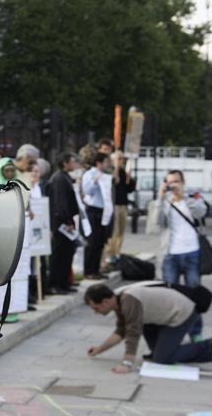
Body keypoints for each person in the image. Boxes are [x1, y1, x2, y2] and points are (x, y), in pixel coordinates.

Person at [85, 283, 212, 373]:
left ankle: (208, 347)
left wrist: (127, 363)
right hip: (160, 317)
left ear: (106, 302)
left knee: (163, 358)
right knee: (157, 354)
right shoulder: (118, 299)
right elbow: (121, 331)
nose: (96, 312)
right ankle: (170, 350)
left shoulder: (128, 300)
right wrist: (99, 349)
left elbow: (132, 332)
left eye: (96, 308)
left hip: (182, 312)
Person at [153, 169, 207, 341]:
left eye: (176, 181)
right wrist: (161, 198)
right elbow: (156, 222)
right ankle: (169, 332)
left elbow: (201, 212)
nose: (173, 185)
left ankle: (195, 333)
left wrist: (184, 197)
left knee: (194, 295)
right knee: (169, 296)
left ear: (183, 182)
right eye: (170, 182)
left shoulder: (193, 198)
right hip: (170, 255)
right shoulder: (165, 202)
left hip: (192, 253)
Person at [45, 152, 81, 294]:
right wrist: (67, 221)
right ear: (65, 163)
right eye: (72, 161)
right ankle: (55, 284)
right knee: (59, 255)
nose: (74, 164)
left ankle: (64, 282)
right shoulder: (59, 179)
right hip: (60, 224)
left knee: (67, 253)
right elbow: (61, 203)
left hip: (66, 222)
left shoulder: (65, 177)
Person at [81, 152, 113, 280]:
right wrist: (95, 181)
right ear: (99, 163)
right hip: (93, 211)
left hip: (102, 211)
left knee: (100, 241)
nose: (107, 165)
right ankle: (88, 270)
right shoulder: (89, 174)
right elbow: (87, 191)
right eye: (106, 162)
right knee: (92, 242)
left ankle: (96, 269)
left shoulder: (105, 175)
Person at [102, 150, 135, 268]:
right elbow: (112, 183)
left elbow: (130, 188)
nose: (122, 161)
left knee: (121, 230)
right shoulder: (110, 171)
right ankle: (109, 254)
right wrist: (115, 168)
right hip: (113, 204)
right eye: (119, 159)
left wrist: (129, 177)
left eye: (122, 159)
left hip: (123, 203)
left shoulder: (123, 171)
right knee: (114, 231)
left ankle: (117, 253)